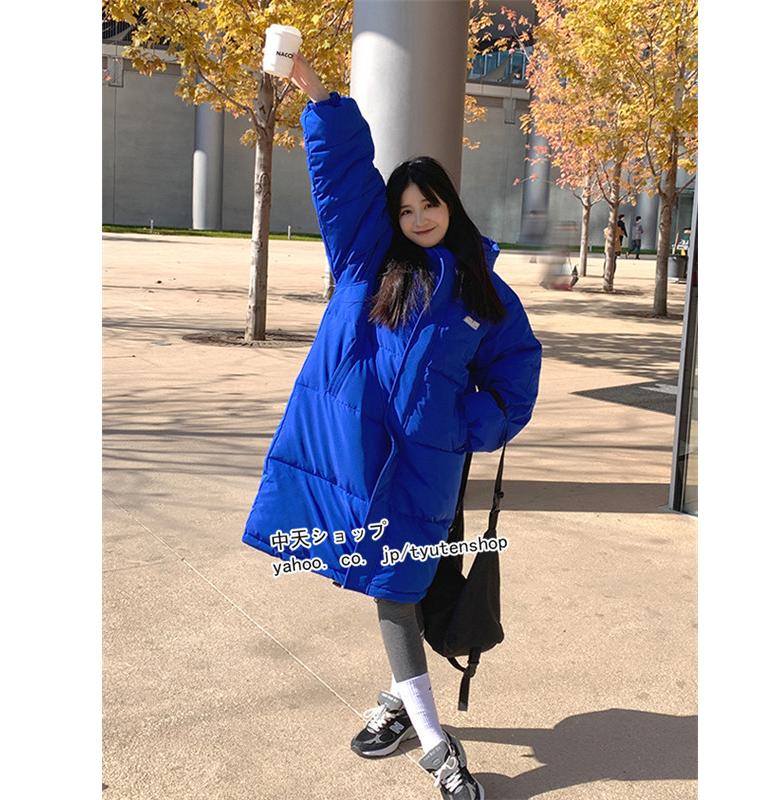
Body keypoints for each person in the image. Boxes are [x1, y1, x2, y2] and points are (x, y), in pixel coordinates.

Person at [241, 51, 542, 800]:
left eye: (429, 204)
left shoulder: (484, 290)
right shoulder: (365, 257)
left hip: (426, 469)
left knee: (399, 587)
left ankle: (427, 735)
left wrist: (463, 424)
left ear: (450, 205)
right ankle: (422, 725)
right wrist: (315, 91)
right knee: (395, 588)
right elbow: (342, 175)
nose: (418, 218)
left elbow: (516, 372)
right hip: (351, 458)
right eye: (406, 210)